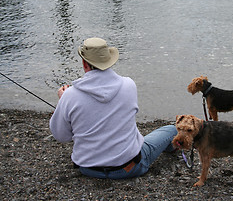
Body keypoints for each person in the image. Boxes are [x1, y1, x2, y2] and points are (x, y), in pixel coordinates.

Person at [50, 37, 177, 179]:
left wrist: (63, 102)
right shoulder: (129, 85)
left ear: (85, 63)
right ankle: (174, 148)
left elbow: (62, 136)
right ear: (109, 61)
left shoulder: (70, 95)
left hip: (88, 169)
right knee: (172, 130)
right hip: (130, 168)